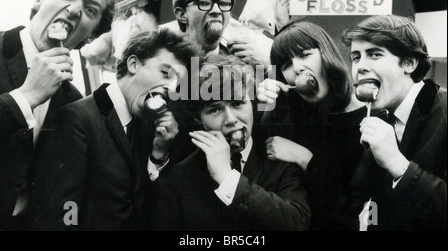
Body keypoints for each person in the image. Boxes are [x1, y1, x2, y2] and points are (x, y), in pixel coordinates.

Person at [28, 29, 201, 230]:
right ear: (133, 64)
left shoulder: (147, 125)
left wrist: (158, 154)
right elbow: (65, 207)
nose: (170, 88)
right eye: (165, 73)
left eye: (177, 83)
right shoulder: (76, 118)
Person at [0, 0, 116, 230]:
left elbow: (68, 194)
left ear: (90, 36)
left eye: (90, 9)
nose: (74, 9)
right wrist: (25, 97)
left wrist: (68, 224)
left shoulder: (72, 99)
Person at [151, 54, 310, 231]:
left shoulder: (280, 158)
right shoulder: (176, 180)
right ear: (198, 119)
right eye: (215, 110)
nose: (231, 119)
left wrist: (228, 178)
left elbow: (298, 223)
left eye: (237, 103)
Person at [257, 21, 371, 231]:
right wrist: (263, 102)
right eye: (286, 65)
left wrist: (304, 158)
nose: (297, 68)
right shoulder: (290, 113)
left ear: (326, 53)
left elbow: (352, 211)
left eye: (304, 55)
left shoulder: (371, 121)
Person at [342, 14, 447, 231]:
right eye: (355, 57)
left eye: (375, 54)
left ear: (409, 62)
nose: (360, 66)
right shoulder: (378, 118)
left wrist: (399, 165)